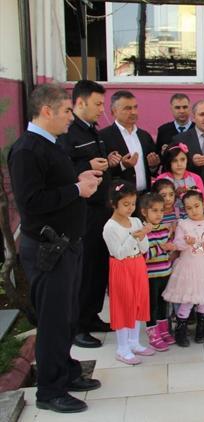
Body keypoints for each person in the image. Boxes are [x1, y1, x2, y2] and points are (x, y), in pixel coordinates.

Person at [9, 83, 102, 413]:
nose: (70, 117)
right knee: (52, 321)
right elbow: (32, 203)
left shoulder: (51, 144)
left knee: (66, 317)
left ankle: (66, 371)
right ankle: (49, 390)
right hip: (49, 250)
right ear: (46, 111)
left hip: (68, 245)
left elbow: (57, 184)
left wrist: (80, 178)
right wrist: (78, 189)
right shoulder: (26, 151)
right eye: (66, 111)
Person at [57, 80, 114, 348]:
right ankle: (78, 325)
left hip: (102, 208)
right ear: (80, 103)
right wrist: (86, 164)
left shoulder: (92, 130)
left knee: (99, 266)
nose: (101, 109)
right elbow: (61, 168)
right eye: (98, 104)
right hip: (84, 212)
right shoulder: (68, 133)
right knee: (85, 268)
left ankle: (92, 315)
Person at [162, 190, 204, 347]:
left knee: (203, 299)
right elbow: (178, 244)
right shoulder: (183, 225)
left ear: (203, 204)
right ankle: (181, 329)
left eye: (196, 206)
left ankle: (201, 328)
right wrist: (187, 243)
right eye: (189, 208)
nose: (194, 211)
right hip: (188, 267)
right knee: (188, 298)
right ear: (184, 209)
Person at [102, 182, 155, 365]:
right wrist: (135, 236)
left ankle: (134, 342)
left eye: (133, 203)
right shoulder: (110, 227)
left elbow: (144, 247)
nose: (130, 208)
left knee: (138, 302)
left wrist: (142, 236)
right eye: (126, 204)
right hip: (121, 267)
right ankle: (122, 348)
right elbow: (119, 252)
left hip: (138, 264)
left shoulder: (136, 221)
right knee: (124, 305)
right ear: (113, 203)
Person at [100, 90, 160, 194]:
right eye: (127, 108)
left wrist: (153, 166)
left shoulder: (144, 136)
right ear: (113, 111)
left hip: (145, 196)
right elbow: (101, 172)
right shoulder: (103, 137)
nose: (133, 112)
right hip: (120, 198)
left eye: (135, 107)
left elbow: (152, 169)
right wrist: (122, 165)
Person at [139, 193, 176, 352]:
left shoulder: (164, 228)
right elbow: (143, 255)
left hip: (164, 273)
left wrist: (170, 248)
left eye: (161, 210)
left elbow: (166, 250)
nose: (159, 214)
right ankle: (152, 332)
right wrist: (162, 248)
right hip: (150, 276)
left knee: (163, 303)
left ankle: (163, 330)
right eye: (154, 210)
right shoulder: (142, 231)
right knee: (151, 305)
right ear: (144, 212)